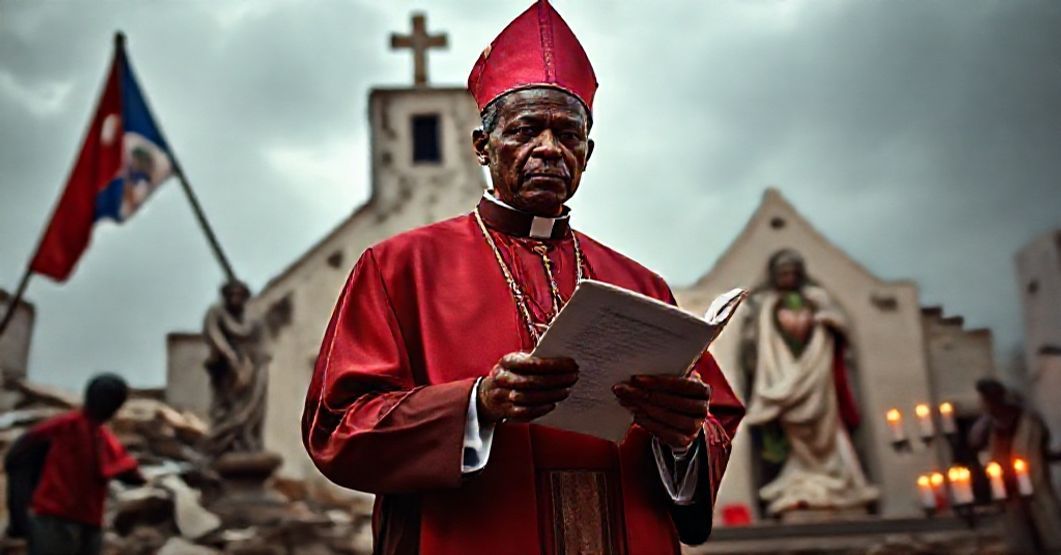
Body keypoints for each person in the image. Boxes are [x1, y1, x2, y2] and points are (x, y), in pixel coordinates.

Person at [301, 2, 743, 553]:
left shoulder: (640, 284)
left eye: (569, 135)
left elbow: (713, 422)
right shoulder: (399, 268)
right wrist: (477, 404)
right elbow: (340, 425)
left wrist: (683, 440)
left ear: (589, 153)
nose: (550, 149)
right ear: (482, 146)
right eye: (527, 129)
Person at [740, 250, 878, 516]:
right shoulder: (763, 305)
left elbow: (840, 330)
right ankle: (797, 481)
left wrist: (827, 322)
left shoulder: (818, 299)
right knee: (792, 432)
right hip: (782, 379)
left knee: (828, 432)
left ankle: (836, 480)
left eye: (792, 272)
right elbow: (753, 346)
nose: (788, 277)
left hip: (818, 381)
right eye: (782, 273)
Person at [4, 373, 143, 555]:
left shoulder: (102, 436)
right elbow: (17, 455)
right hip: (53, 520)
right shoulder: (65, 427)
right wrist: (19, 508)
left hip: (86, 523)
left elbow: (128, 472)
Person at [969, 378, 1061, 553]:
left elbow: (1041, 445)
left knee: (1045, 528)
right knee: (1018, 535)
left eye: (990, 398)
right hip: (1006, 487)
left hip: (1033, 483)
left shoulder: (1029, 421)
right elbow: (975, 443)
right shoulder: (988, 424)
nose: (986, 403)